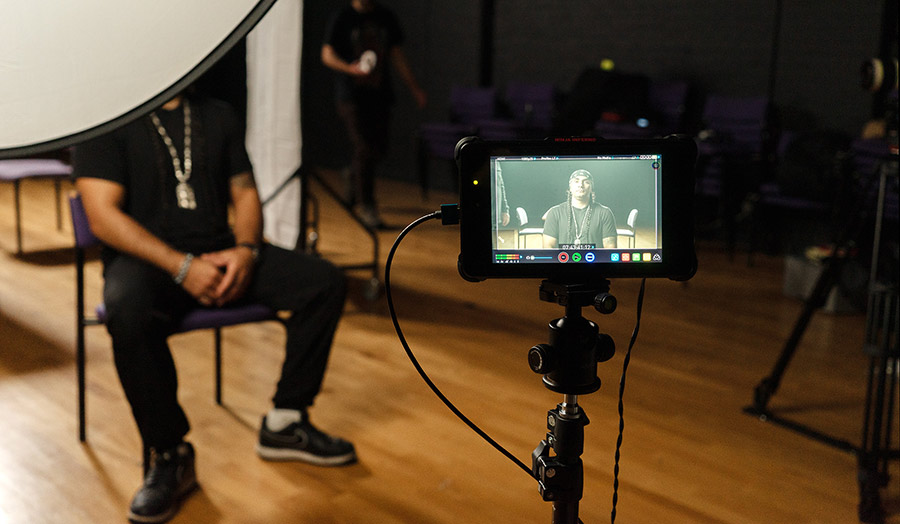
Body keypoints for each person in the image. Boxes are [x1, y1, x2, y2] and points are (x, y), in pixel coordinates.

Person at [73, 92, 356, 524]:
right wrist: (181, 267)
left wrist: (245, 251)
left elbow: (244, 195)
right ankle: (169, 454)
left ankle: (285, 420)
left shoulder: (216, 112)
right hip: (148, 262)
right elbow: (101, 215)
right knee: (126, 309)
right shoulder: (109, 116)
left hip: (220, 252)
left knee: (323, 283)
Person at [321, 0, 427, 229]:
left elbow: (397, 55)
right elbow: (327, 54)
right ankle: (366, 206)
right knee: (364, 148)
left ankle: (352, 176)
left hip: (379, 96)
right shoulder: (343, 17)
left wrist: (414, 88)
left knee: (378, 150)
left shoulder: (386, 17)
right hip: (351, 97)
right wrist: (349, 68)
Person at [542, 169, 618, 248]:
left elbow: (610, 248)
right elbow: (548, 247)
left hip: (595, 260)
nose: (580, 185)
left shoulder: (605, 213)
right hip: (563, 259)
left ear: (591, 188)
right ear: (570, 188)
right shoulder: (555, 212)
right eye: (576, 181)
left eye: (586, 182)